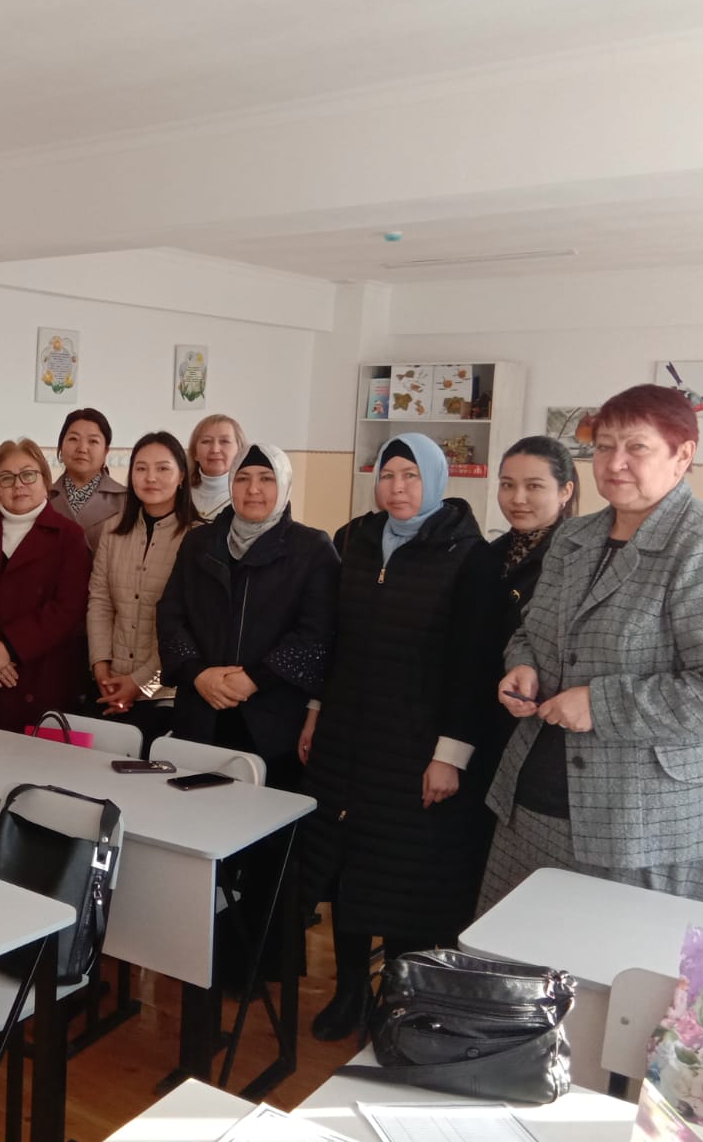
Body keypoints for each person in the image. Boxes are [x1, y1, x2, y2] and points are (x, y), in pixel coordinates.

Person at [483, 386, 703, 911]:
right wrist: (522, 665)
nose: (615, 462)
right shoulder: (574, 539)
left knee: (609, 959)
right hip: (533, 798)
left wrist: (600, 704)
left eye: (636, 447)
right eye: (603, 447)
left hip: (642, 822)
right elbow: (530, 630)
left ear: (682, 455)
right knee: (508, 955)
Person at [298, 433, 490, 1042]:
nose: (398, 488)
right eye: (388, 475)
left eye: (411, 475)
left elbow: (471, 666)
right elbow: (333, 639)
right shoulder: (353, 538)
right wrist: (314, 712)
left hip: (415, 742)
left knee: (404, 872)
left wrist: (449, 755)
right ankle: (350, 990)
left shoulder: (468, 554)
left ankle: (400, 998)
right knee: (346, 865)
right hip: (346, 733)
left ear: (435, 480)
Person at [157, 442, 339, 787]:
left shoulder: (312, 549)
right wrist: (198, 674)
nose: (253, 489)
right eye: (242, 478)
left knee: (264, 814)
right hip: (200, 711)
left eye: (266, 478)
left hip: (273, 722)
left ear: (284, 484)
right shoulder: (200, 543)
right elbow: (171, 614)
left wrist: (255, 678)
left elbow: (317, 633)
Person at [436, 437, 579, 814]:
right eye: (507, 484)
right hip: (482, 727)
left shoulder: (577, 564)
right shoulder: (487, 556)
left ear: (565, 492)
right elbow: (467, 654)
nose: (518, 498)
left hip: (542, 734)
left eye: (534, 486)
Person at [0, 439, 93, 732]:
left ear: (45, 480)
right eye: (6, 478)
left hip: (41, 677)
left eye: (28, 475)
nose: (18, 485)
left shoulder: (69, 536)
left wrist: (10, 648)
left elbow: (68, 608)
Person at [86, 432, 197, 745]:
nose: (150, 478)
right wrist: (101, 670)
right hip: (111, 685)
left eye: (163, 468)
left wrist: (139, 685)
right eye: (141, 468)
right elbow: (100, 602)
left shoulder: (198, 537)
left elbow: (189, 626)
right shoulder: (112, 530)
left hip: (167, 693)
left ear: (181, 476)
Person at [46, 408, 125, 547]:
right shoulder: (43, 498)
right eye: (73, 439)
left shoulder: (126, 501)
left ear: (106, 451)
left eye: (93, 441)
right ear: (61, 447)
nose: (82, 448)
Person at [186, 413, 246, 522]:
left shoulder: (249, 497)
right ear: (195, 453)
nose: (215, 449)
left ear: (240, 451)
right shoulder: (180, 495)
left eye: (224, 441)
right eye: (206, 441)